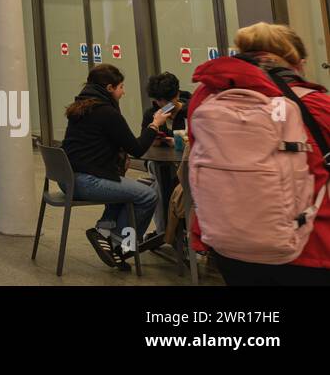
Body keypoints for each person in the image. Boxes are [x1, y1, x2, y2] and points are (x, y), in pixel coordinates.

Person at [187, 22, 330, 284]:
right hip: (310, 245)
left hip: (229, 243)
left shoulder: (205, 98)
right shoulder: (314, 103)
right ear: (296, 61)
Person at [62, 64, 173, 270]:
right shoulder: (106, 112)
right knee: (147, 196)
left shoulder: (83, 106)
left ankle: (105, 234)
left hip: (70, 178)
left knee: (126, 190)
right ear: (110, 88)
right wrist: (155, 124)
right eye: (121, 87)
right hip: (87, 180)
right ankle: (122, 246)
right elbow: (137, 149)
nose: (124, 92)